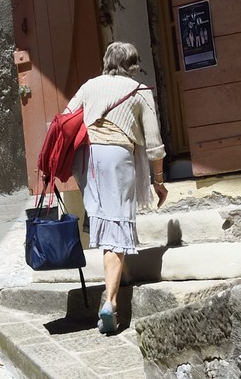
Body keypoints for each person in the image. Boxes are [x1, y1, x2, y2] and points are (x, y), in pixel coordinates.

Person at [63, 41, 167, 335]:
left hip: (86, 158)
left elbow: (67, 116)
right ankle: (110, 302)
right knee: (117, 227)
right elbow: (155, 145)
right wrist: (158, 182)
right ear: (132, 64)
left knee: (105, 221)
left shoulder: (89, 86)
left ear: (107, 61)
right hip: (116, 157)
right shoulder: (140, 91)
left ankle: (114, 283)